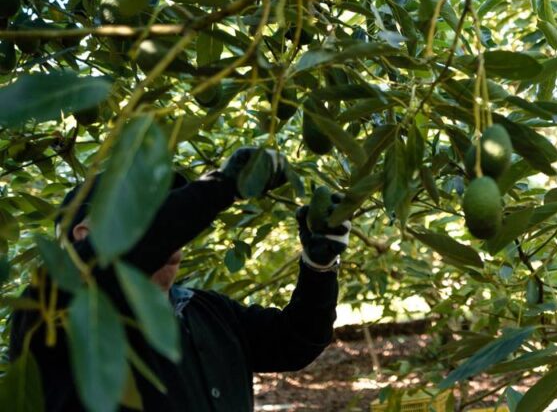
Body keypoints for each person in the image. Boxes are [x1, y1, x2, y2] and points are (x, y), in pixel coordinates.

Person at [8, 147, 352, 411]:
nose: (168, 228)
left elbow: (294, 342)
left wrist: (318, 267)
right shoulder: (50, 307)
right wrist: (222, 186)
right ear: (84, 235)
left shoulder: (207, 311)